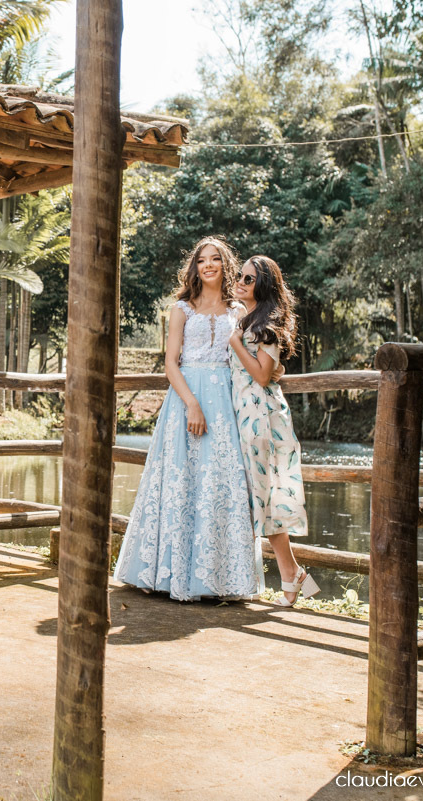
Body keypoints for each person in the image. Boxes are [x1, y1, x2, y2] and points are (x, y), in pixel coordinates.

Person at [112, 237, 260, 602]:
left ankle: (220, 580)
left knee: (220, 483)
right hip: (185, 402)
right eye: (201, 260)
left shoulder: (238, 310)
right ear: (194, 268)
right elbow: (170, 363)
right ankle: (167, 574)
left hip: (225, 404)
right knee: (179, 480)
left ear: (225, 265)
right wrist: (192, 404)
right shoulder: (182, 308)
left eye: (215, 259)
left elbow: (253, 357)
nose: (208, 265)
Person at [229, 255, 318, 607]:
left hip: (259, 417)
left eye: (248, 279)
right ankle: (291, 575)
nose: (240, 281)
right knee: (257, 496)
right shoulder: (242, 317)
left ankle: (292, 575)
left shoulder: (266, 325)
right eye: (240, 276)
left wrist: (236, 344)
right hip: (242, 412)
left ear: (262, 286)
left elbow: (264, 375)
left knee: (262, 497)